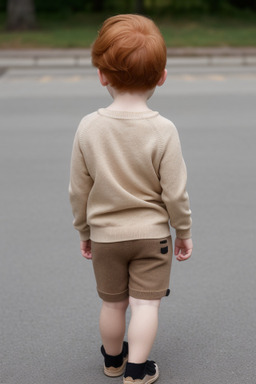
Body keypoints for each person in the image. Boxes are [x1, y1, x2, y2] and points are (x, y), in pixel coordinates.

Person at [69, 14, 193, 384]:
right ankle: (137, 372)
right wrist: (183, 230)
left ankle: (113, 361)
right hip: (152, 237)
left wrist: (84, 230)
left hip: (106, 236)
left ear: (101, 75)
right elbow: (175, 192)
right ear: (161, 76)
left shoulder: (89, 127)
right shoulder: (163, 129)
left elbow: (79, 189)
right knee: (145, 305)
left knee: (113, 304)